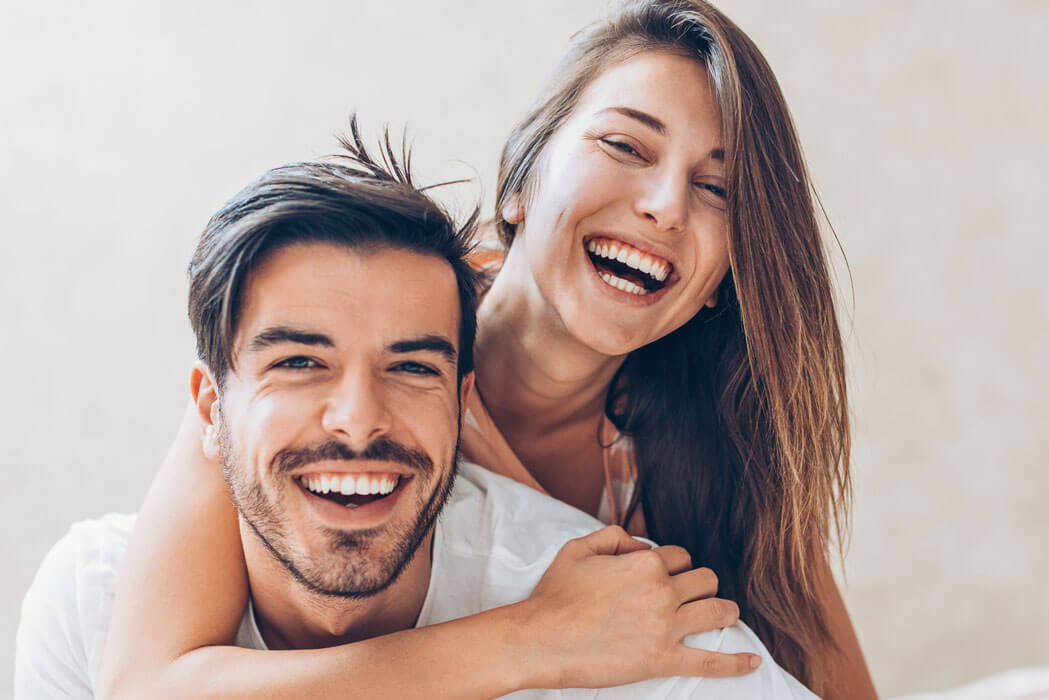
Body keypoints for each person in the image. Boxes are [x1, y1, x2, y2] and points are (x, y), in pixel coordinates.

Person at [95, 1, 878, 698]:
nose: (664, 205)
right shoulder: (333, 364)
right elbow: (147, 686)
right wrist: (536, 639)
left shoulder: (721, 442)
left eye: (717, 189)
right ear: (520, 185)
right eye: (626, 146)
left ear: (722, 280)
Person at [15, 137, 815, 700]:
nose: (357, 420)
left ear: (462, 399)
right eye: (299, 362)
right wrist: (523, 643)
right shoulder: (96, 602)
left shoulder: (623, 622)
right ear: (206, 408)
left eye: (410, 367)